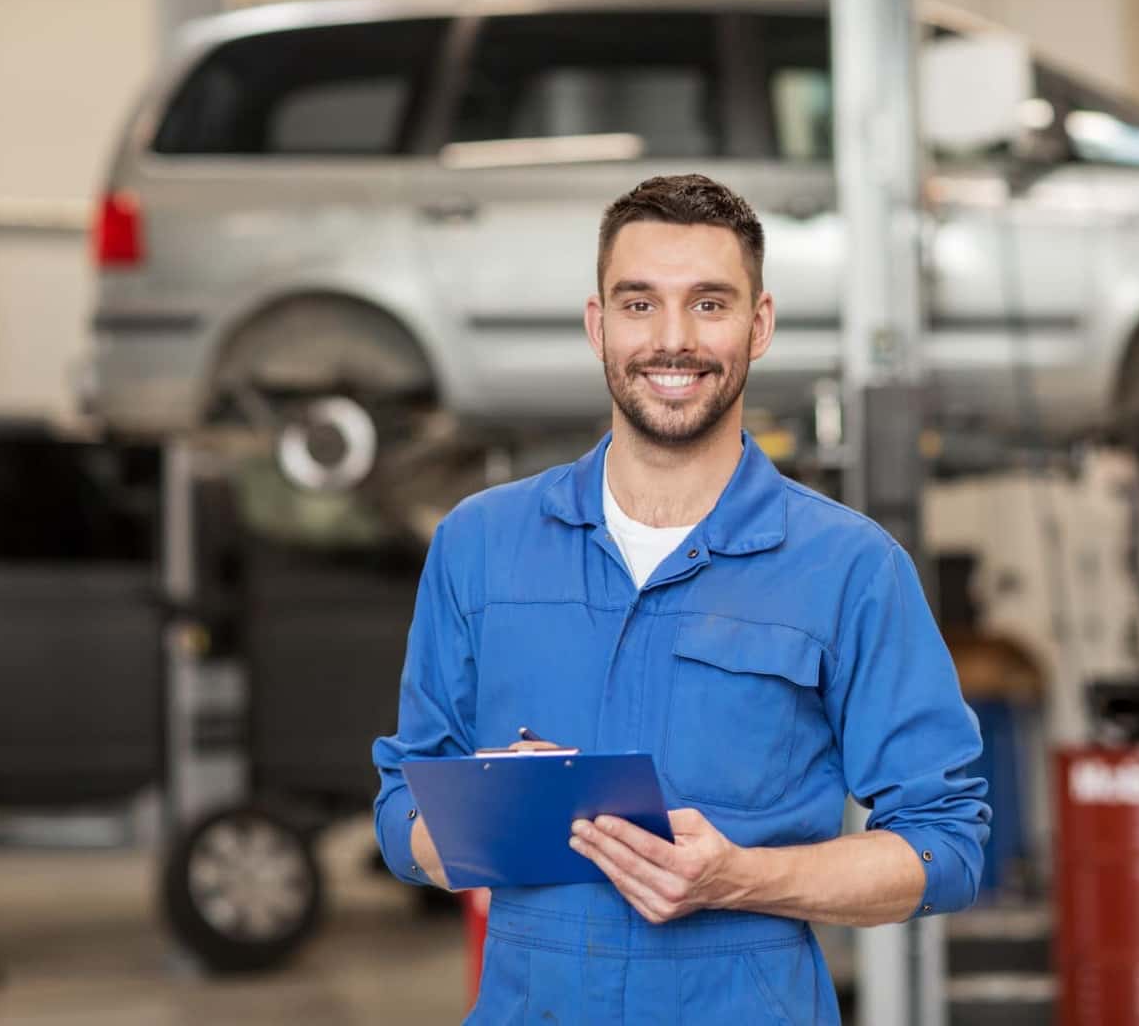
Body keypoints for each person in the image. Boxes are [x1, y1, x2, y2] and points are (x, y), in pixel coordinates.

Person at [373, 173, 989, 1024]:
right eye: (637, 305)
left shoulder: (850, 568)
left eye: (708, 304)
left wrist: (745, 876)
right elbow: (402, 807)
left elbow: (946, 844)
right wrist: (495, 817)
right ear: (597, 326)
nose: (671, 341)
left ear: (758, 324)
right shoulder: (480, 546)